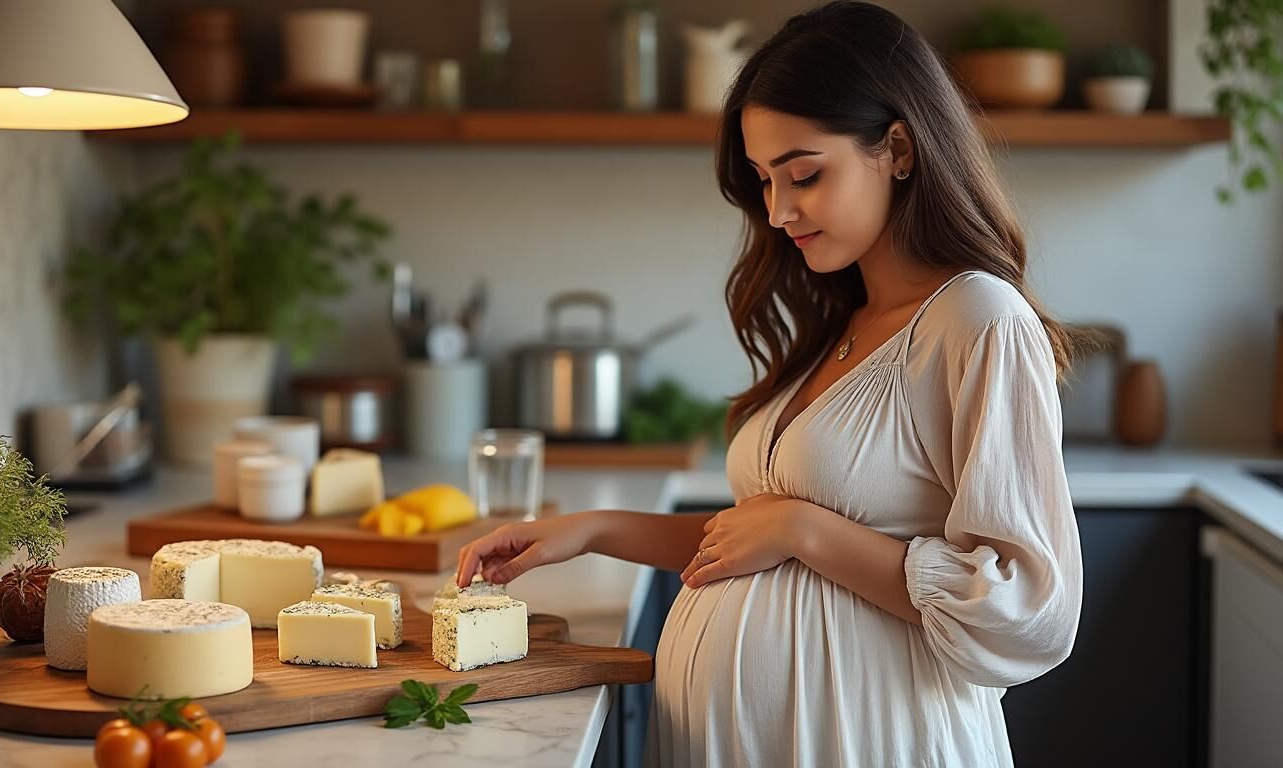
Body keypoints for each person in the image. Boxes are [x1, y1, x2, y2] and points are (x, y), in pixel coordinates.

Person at [456, 2, 1084, 764]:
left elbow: (1026, 609)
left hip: (870, 739)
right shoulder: (844, 324)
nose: (778, 210)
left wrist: (802, 528)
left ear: (899, 148)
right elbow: (760, 538)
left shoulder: (978, 318)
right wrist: (587, 531)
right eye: (762, 180)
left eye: (805, 175)